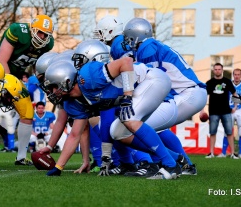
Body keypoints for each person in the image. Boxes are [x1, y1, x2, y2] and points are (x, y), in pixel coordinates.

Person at [43, 58, 181, 179]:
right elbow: (74, 135)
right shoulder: (72, 103)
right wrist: (58, 167)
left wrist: (127, 94)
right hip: (142, 91)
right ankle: (175, 158)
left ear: (65, 80)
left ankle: (170, 165)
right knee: (117, 133)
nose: (51, 92)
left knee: (129, 119)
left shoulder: (88, 76)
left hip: (152, 79)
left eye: (53, 87)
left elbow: (126, 62)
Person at [117, 17, 207, 175]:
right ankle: (181, 162)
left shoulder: (147, 48)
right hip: (190, 93)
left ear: (136, 36)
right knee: (146, 128)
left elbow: (151, 80)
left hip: (187, 94)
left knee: (136, 126)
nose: (126, 42)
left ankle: (161, 164)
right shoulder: (151, 46)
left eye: (128, 38)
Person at [0, 14, 54, 165]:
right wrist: (8, 85)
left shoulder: (47, 44)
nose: (43, 37)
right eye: (40, 32)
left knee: (27, 113)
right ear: (32, 30)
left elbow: (39, 67)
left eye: (46, 34)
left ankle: (21, 157)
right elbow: (2, 60)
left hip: (15, 79)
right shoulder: (18, 31)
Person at [202, 63, 241, 159]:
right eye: (215, 69)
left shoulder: (227, 81)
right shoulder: (209, 82)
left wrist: (235, 107)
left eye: (219, 69)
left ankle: (232, 153)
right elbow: (204, 97)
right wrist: (202, 110)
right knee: (212, 132)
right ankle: (211, 153)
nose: (217, 71)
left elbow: (234, 93)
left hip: (226, 111)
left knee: (229, 132)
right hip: (213, 111)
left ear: (222, 70)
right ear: (213, 70)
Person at [219, 68, 241, 158]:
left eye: (238, 74)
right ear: (233, 75)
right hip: (229, 110)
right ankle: (223, 153)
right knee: (227, 132)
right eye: (235, 74)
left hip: (240, 110)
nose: (237, 76)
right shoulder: (227, 83)